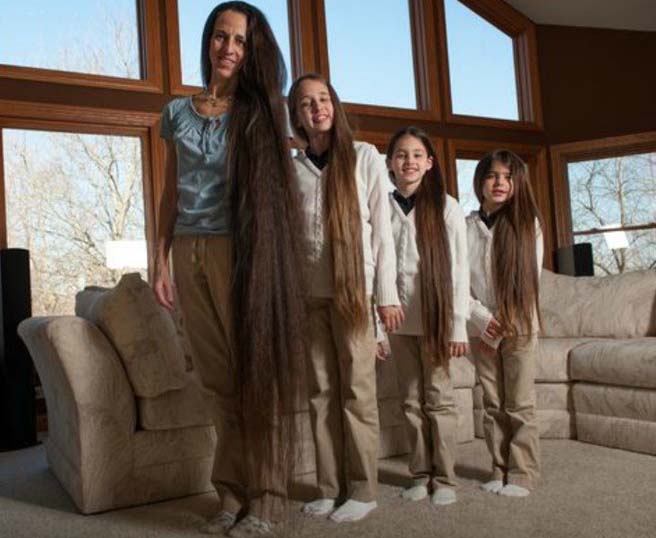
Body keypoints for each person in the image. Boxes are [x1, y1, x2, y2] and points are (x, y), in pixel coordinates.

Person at [154, 3, 307, 536]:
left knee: (252, 376)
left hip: (240, 252)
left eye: (240, 41)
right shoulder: (176, 112)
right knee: (217, 381)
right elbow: (170, 192)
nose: (228, 48)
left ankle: (266, 498)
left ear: (251, 51)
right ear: (208, 41)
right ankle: (231, 493)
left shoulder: (260, 111)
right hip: (187, 249)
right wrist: (160, 260)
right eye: (221, 36)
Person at [287, 73, 404, 523]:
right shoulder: (293, 169)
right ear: (297, 116)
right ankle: (328, 488)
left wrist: (385, 297)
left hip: (354, 292)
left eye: (323, 99)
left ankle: (363, 490)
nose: (316, 107)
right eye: (306, 103)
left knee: (356, 392)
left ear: (334, 106)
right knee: (320, 393)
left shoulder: (364, 156)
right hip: (310, 294)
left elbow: (382, 233)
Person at [385, 126, 469, 506]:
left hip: (436, 320)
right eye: (401, 154)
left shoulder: (446, 206)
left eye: (417, 155)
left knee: (439, 399)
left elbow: (459, 270)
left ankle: (445, 479)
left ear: (430, 163)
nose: (409, 161)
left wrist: (457, 325)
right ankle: (420, 474)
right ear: (390, 163)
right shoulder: (382, 205)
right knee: (410, 401)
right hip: (398, 320)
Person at [467, 149, 543, 497]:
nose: (500, 183)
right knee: (493, 402)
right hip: (481, 327)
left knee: (519, 403)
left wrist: (505, 318)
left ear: (517, 183)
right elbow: (457, 282)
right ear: (480, 181)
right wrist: (483, 319)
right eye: (492, 175)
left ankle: (522, 473)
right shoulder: (465, 227)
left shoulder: (528, 224)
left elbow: (530, 278)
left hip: (519, 324)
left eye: (508, 177)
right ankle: (498, 469)